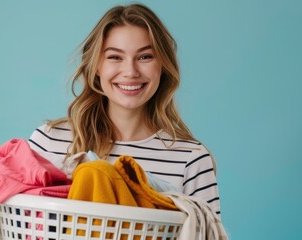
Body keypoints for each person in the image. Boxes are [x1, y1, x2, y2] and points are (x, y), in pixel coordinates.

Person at [28, 3, 221, 217]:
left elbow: (207, 232)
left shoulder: (191, 160)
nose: (130, 71)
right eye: (115, 57)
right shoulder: (49, 140)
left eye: (145, 56)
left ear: (163, 66)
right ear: (97, 66)